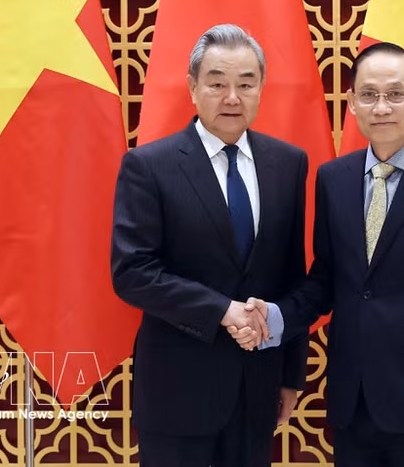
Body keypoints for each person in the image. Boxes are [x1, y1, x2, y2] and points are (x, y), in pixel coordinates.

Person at [230, 42, 404, 466]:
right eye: (369, 95)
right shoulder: (333, 178)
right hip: (351, 400)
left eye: (395, 94)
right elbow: (326, 280)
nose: (382, 107)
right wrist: (274, 317)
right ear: (352, 103)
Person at [111, 24, 309, 467]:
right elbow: (132, 273)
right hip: (178, 392)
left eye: (245, 84)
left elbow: (291, 274)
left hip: (258, 387)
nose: (232, 97)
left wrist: (291, 374)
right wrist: (223, 309)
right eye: (217, 83)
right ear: (193, 88)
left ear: (261, 88)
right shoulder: (149, 166)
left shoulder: (287, 163)